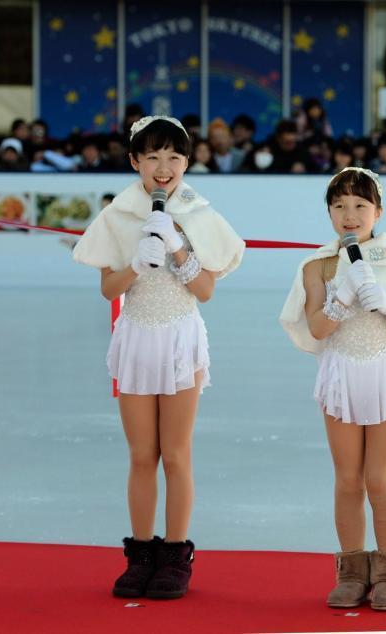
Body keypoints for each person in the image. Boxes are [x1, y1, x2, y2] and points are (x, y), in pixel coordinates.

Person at [72, 116, 245, 600]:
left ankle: (175, 556)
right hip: (136, 338)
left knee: (176, 454)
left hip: (179, 339)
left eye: (174, 156)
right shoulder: (118, 215)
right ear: (135, 162)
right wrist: (134, 265)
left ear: (188, 162)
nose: (163, 167)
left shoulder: (201, 215)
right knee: (141, 454)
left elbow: (206, 290)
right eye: (152, 156)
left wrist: (176, 247)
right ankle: (140, 553)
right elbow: (107, 286)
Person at [279, 168, 386, 611]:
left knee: (380, 479)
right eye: (339, 206)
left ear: (378, 211)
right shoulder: (317, 265)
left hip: (384, 374)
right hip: (341, 376)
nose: (349, 215)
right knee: (348, 480)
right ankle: (352, 570)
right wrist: (341, 299)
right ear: (329, 213)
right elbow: (317, 328)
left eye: (359, 205)